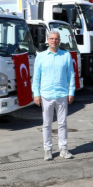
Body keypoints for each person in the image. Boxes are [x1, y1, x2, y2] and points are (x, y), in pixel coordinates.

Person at [32, 30, 75, 161]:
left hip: (62, 94)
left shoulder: (66, 55)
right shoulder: (41, 56)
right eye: (51, 38)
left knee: (62, 123)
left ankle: (63, 149)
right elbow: (36, 77)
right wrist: (36, 94)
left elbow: (71, 75)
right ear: (47, 40)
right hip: (46, 95)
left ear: (59, 41)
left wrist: (71, 92)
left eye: (56, 39)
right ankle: (48, 150)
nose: (53, 41)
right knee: (47, 124)